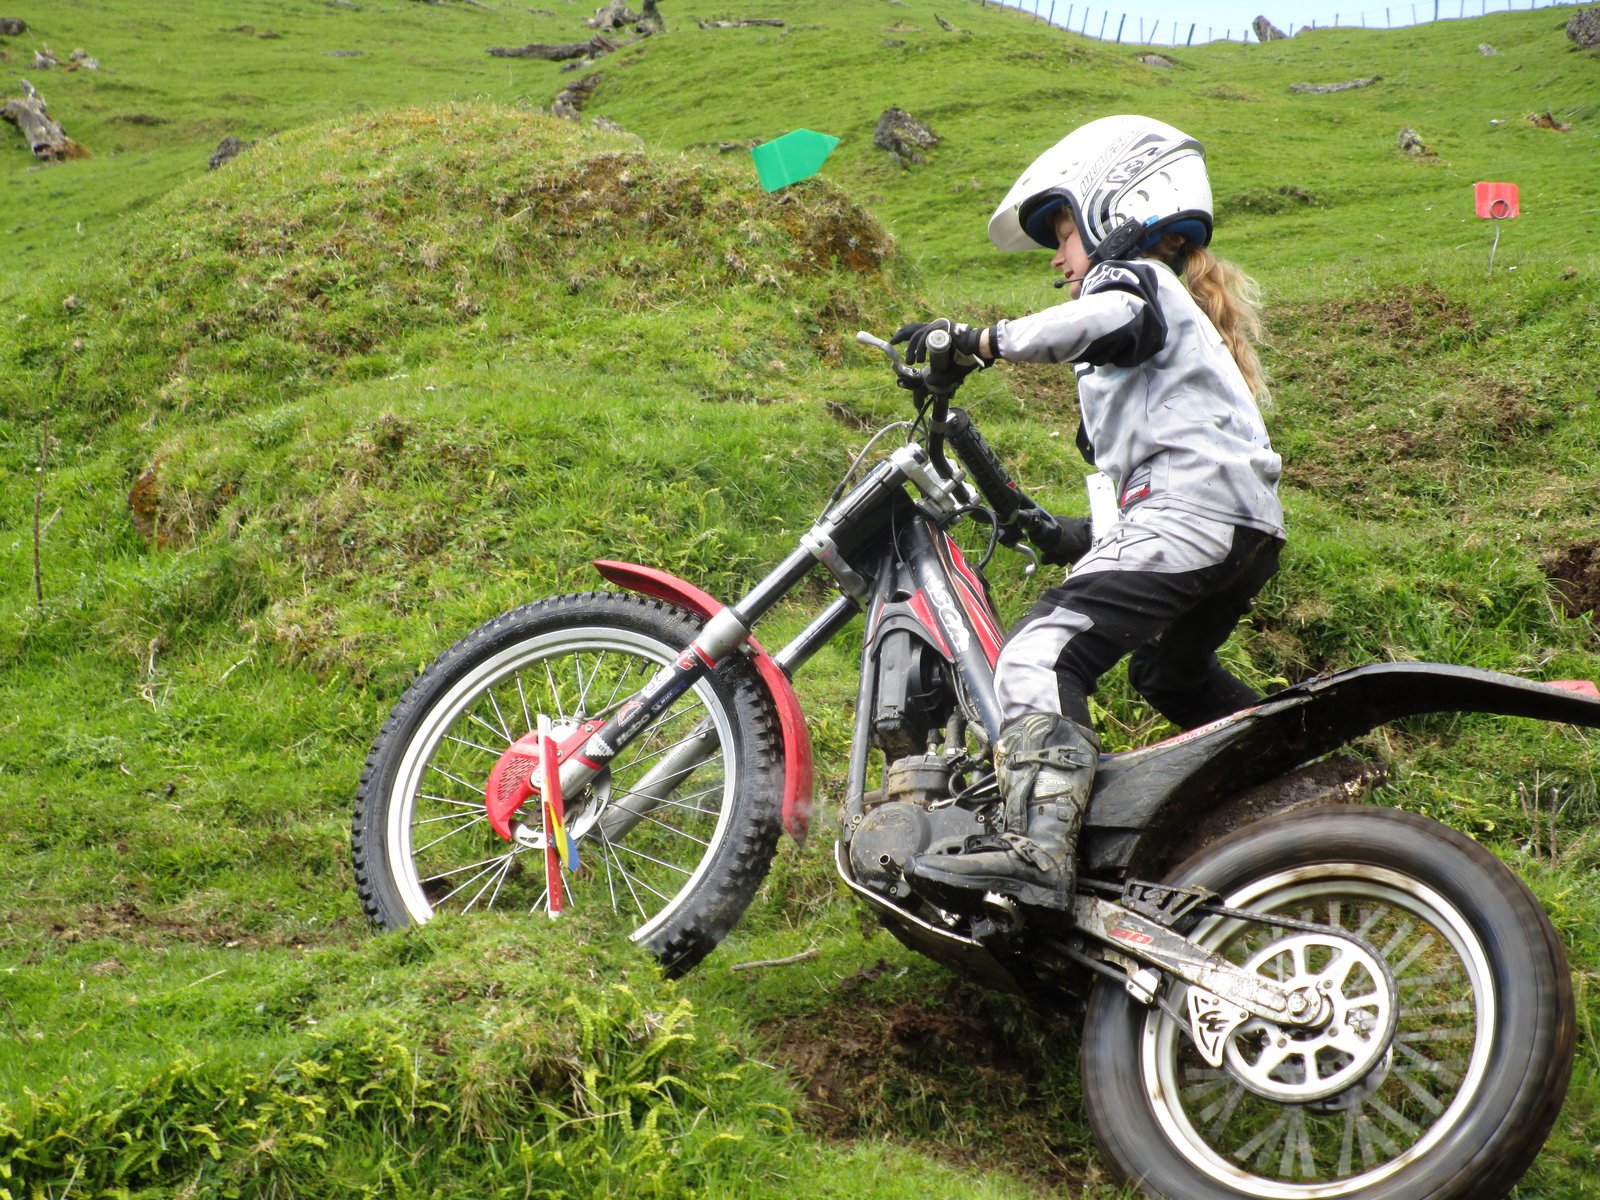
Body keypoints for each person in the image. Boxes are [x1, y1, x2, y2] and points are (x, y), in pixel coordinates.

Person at [893, 115, 1285, 916]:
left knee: (1037, 656)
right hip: (1234, 525)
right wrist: (1065, 534)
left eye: (1064, 232)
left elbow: (1101, 322)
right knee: (1165, 674)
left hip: (1193, 515)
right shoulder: (1171, 317)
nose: (1057, 257)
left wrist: (978, 340)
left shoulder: (1134, 281)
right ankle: (1287, 772)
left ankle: (1037, 856)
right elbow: (1150, 475)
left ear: (1117, 208)